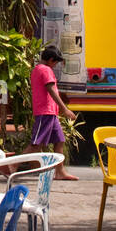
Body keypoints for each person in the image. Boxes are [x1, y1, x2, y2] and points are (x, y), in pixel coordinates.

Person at [27, 44, 79, 180]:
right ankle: (11, 166)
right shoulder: (45, 70)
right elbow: (50, 89)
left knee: (59, 140)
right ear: (50, 60)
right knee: (36, 144)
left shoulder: (38, 69)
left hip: (50, 112)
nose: (55, 65)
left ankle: (60, 171)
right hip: (46, 112)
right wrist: (65, 109)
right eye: (55, 62)